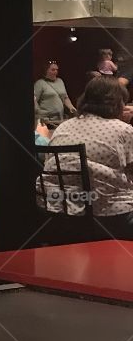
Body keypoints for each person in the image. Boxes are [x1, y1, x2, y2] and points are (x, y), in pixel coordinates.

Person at [46, 76, 133, 235]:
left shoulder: (63, 127)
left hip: (61, 212)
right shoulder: (122, 130)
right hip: (109, 215)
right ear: (117, 102)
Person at [33, 61, 76, 129]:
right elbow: (34, 101)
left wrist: (71, 107)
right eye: (53, 70)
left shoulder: (60, 81)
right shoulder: (39, 83)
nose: (55, 72)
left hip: (59, 120)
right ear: (46, 71)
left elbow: (65, 97)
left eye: (57, 70)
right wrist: (40, 114)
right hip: (46, 120)